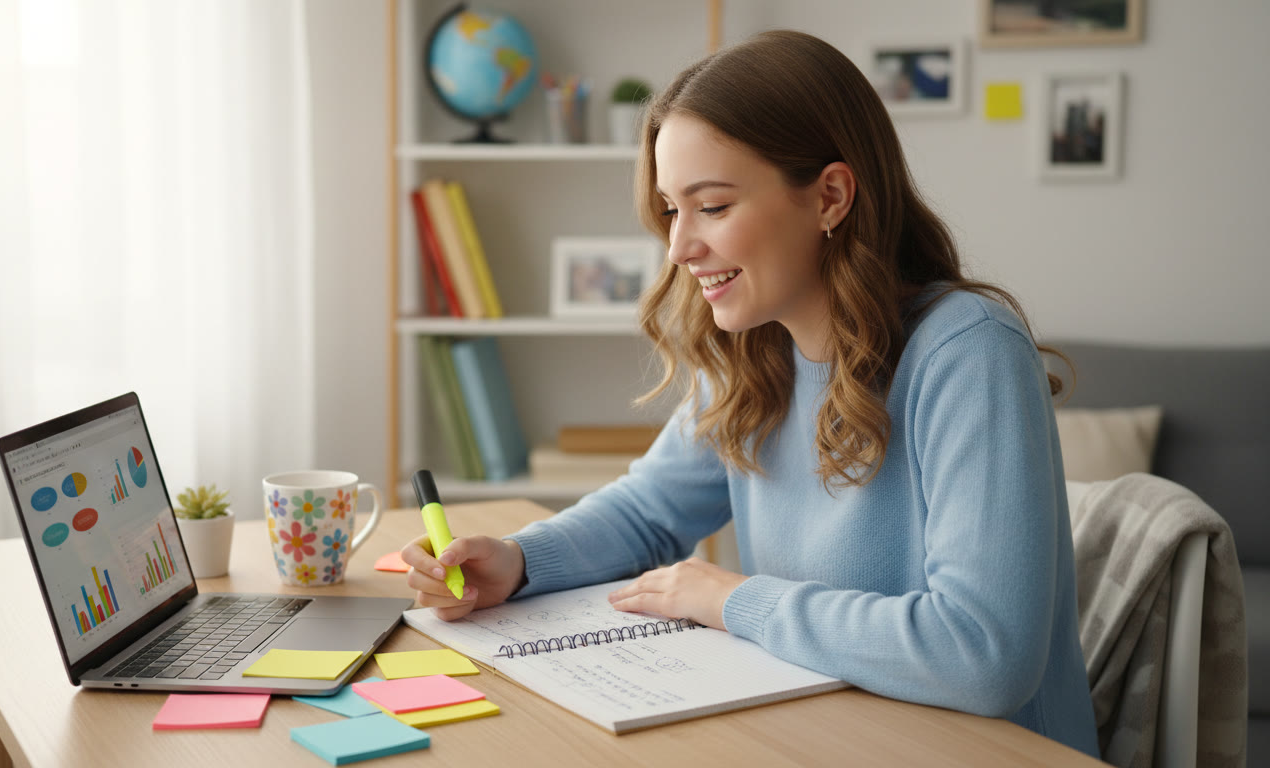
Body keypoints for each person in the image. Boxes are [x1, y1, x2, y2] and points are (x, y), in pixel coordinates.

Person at [401, 30, 1099, 757]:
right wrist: (517, 562)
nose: (678, 249)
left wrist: (732, 600)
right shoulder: (751, 346)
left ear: (829, 196)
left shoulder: (968, 351)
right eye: (673, 210)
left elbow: (983, 654)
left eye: (713, 206)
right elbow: (648, 513)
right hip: (827, 733)